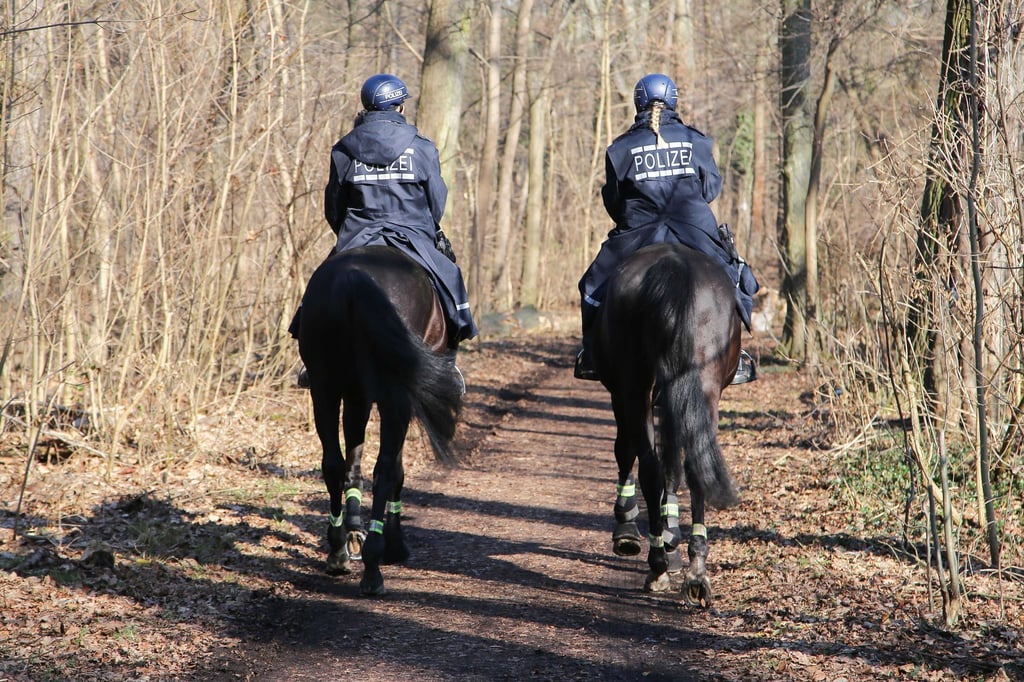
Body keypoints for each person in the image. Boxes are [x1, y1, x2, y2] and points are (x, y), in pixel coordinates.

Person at [291, 73, 477, 387]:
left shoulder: (344, 150)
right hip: (412, 235)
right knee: (450, 278)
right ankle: (448, 364)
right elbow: (436, 201)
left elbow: (334, 204)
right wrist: (426, 228)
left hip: (358, 235)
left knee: (319, 286)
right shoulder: (421, 148)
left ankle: (312, 359)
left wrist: (347, 233)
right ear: (399, 107)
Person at [575, 73, 759, 383]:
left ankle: (591, 355)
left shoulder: (620, 149)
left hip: (638, 231)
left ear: (638, 102)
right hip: (693, 227)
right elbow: (710, 189)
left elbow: (615, 203)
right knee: (734, 276)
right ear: (673, 100)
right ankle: (736, 356)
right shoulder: (696, 141)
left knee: (592, 286)